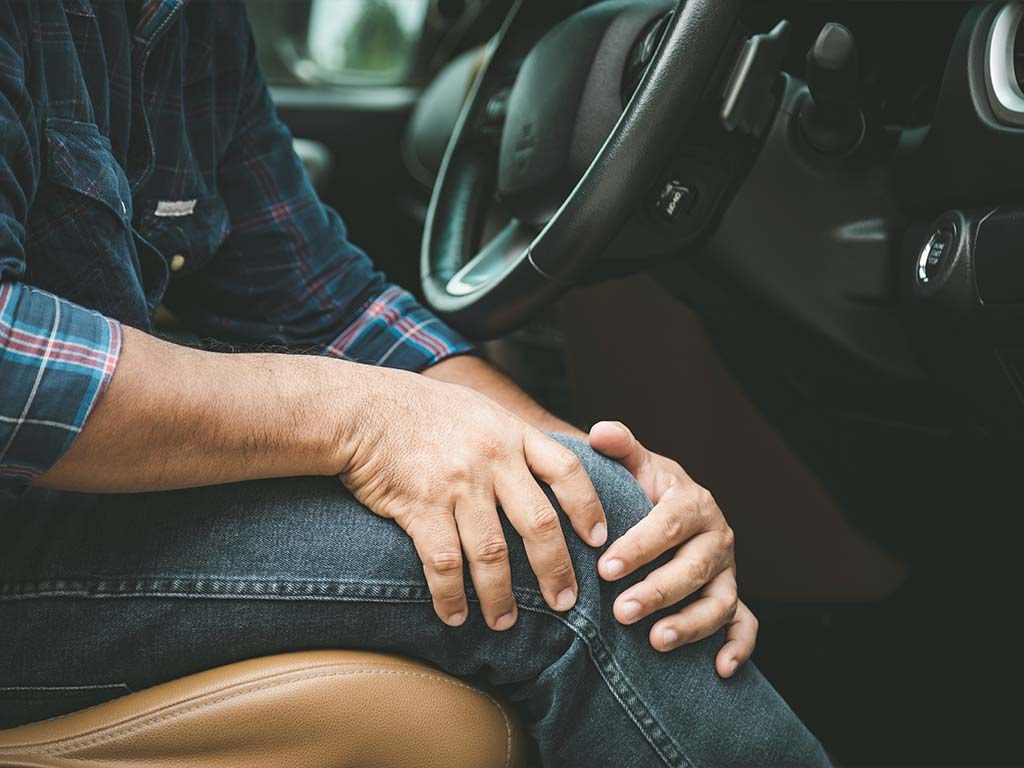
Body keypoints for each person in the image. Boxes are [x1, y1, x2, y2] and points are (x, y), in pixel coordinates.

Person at [0, 1, 828, 764]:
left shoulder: (189, 21)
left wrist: (592, 475)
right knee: (561, 561)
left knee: (586, 518)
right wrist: (363, 421)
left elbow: (324, 302)